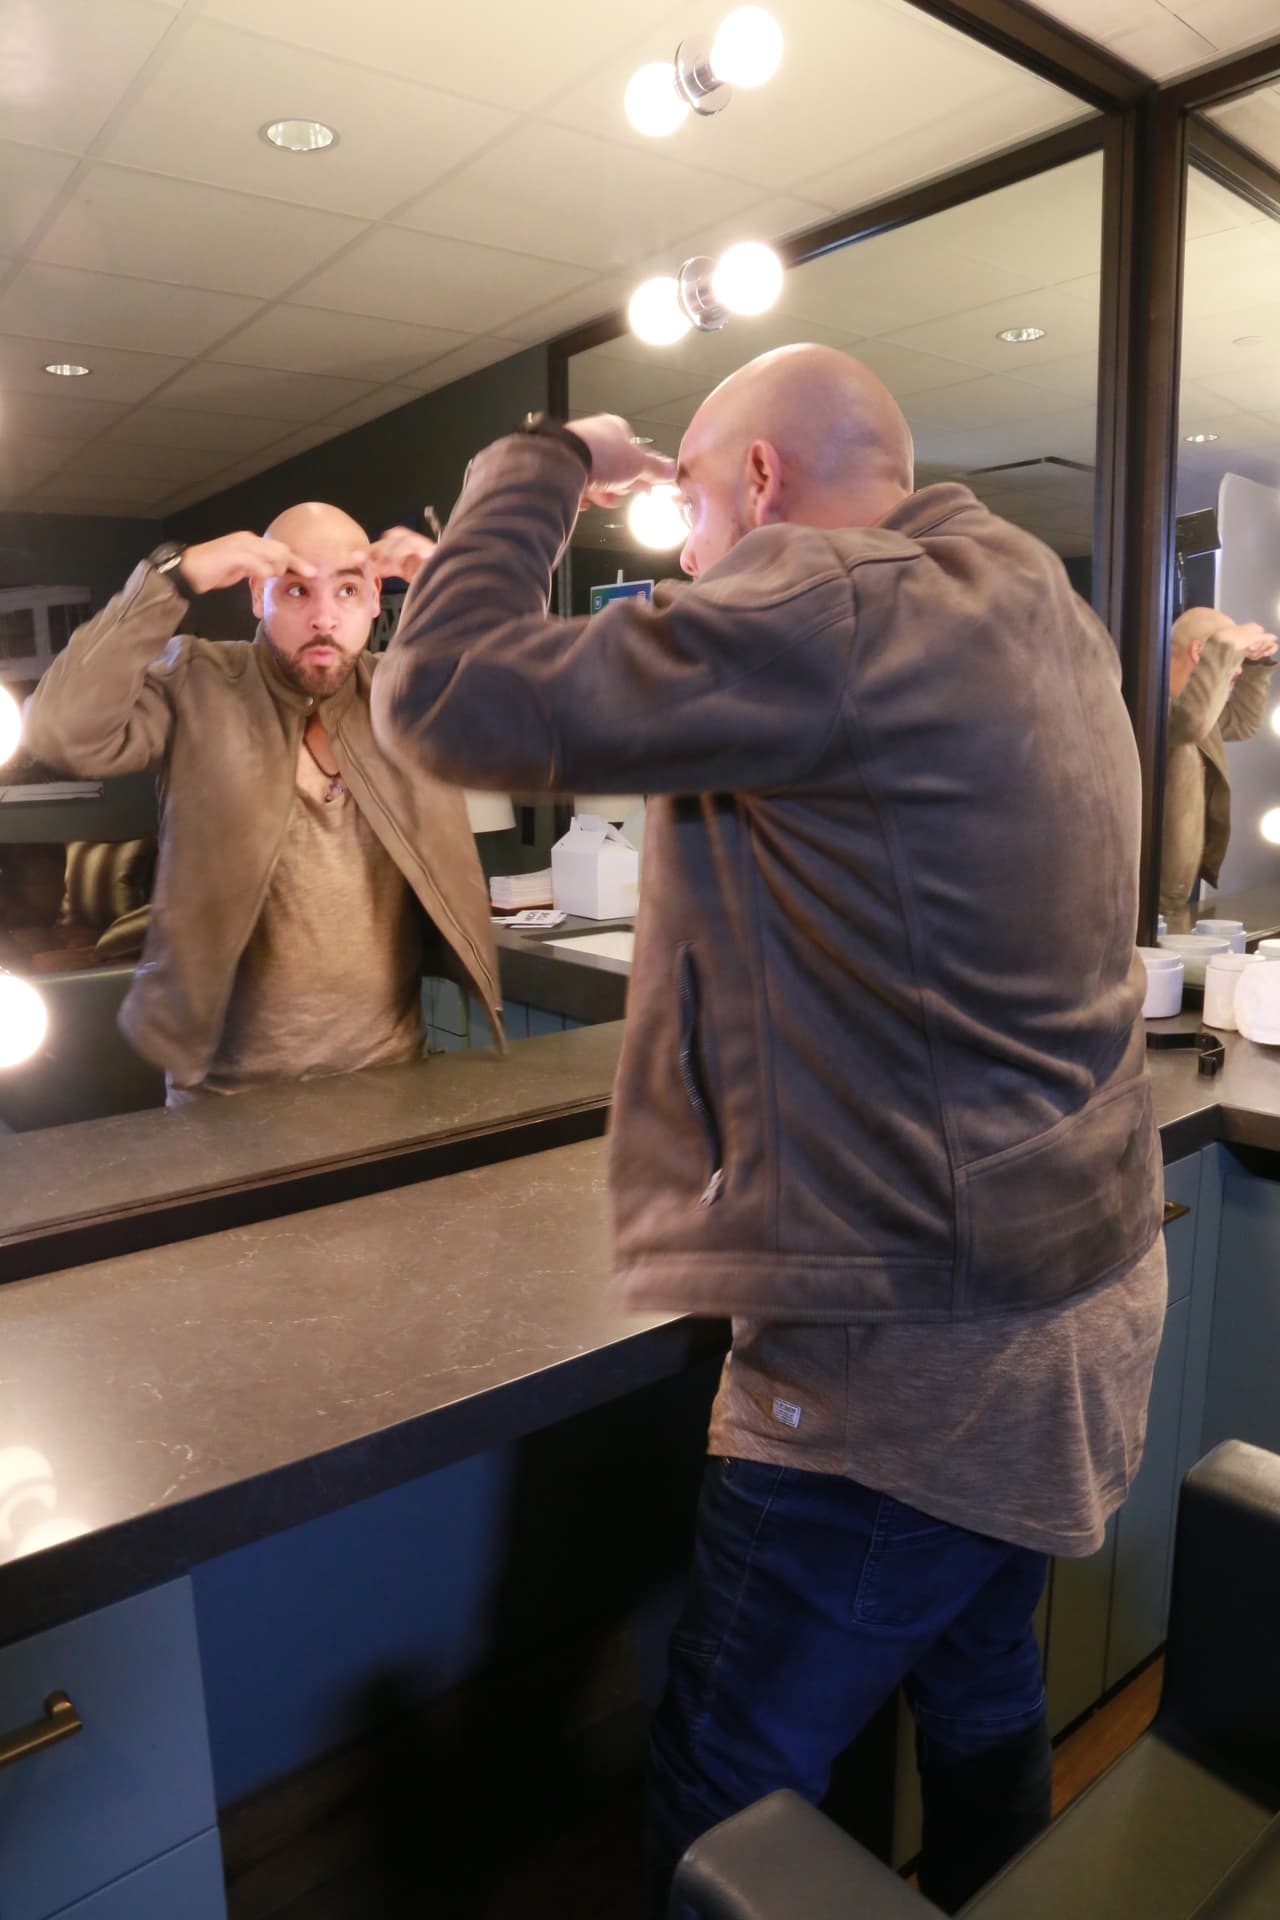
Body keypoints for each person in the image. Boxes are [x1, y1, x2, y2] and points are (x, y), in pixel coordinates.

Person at [370, 348, 1165, 1913]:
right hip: (1077, 1296)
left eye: (692, 519)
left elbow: (447, 693)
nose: (694, 571)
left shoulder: (828, 604)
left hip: (905, 1362)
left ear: (756, 484)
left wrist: (541, 462)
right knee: (983, 1685)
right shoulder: (1029, 596)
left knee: (730, 1793)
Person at [23, 504, 500, 1101]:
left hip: (390, 1081)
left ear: (377, 596)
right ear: (257, 595)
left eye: (347, 589)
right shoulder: (197, 682)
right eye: (296, 590)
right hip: (224, 1097)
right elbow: (58, 730)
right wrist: (172, 576)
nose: (323, 617)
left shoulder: (410, 700)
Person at [1160, 604, 1277, 932]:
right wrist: (1225, 649)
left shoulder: (1199, 714)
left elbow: (1242, 722)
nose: (1236, 670)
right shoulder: (1150, 707)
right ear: (1201, 651)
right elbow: (1188, 723)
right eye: (1234, 660)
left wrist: (1255, 665)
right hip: (1144, 902)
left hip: (1175, 905)